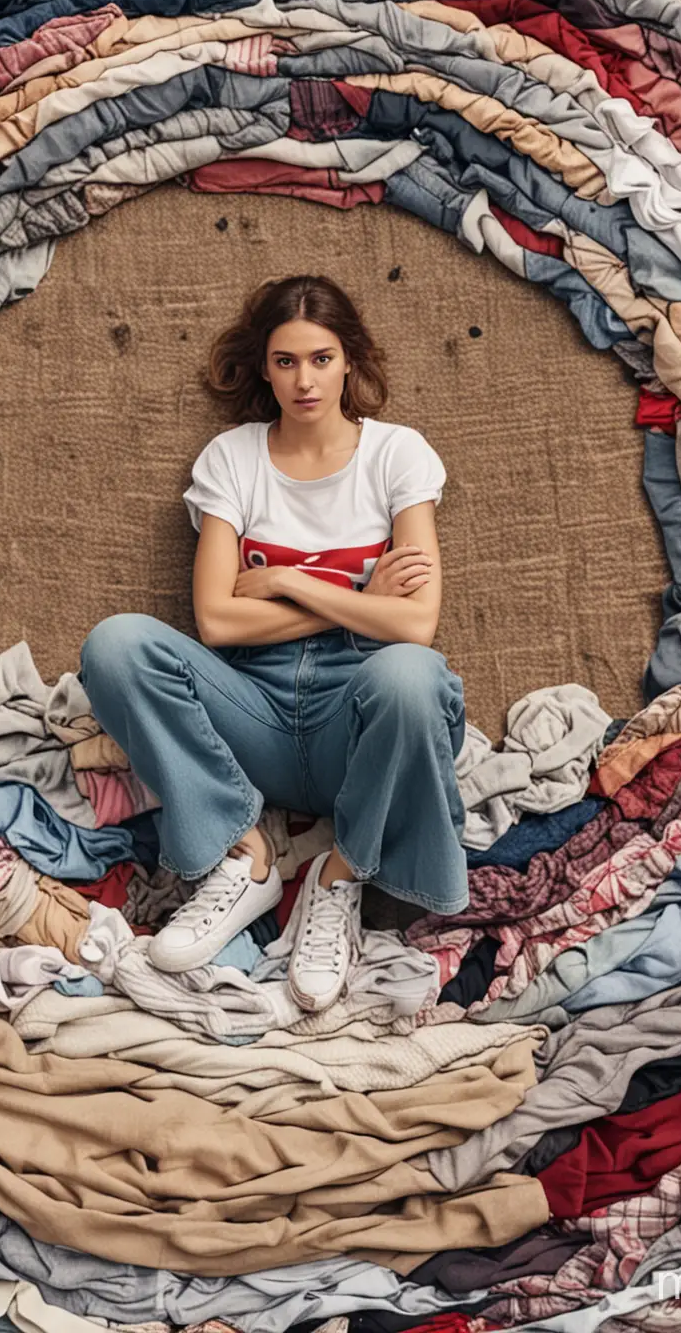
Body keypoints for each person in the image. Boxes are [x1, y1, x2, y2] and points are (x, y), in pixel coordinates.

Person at [79, 275, 469, 1013]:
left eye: (321, 358)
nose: (305, 379)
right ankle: (244, 855)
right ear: (264, 368)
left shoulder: (397, 456)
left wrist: (284, 581)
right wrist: (361, 602)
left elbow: (415, 625)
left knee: (413, 677)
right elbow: (218, 623)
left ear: (349, 360)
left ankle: (340, 877)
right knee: (116, 644)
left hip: (355, 726)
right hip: (248, 710)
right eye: (286, 361)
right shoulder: (232, 459)